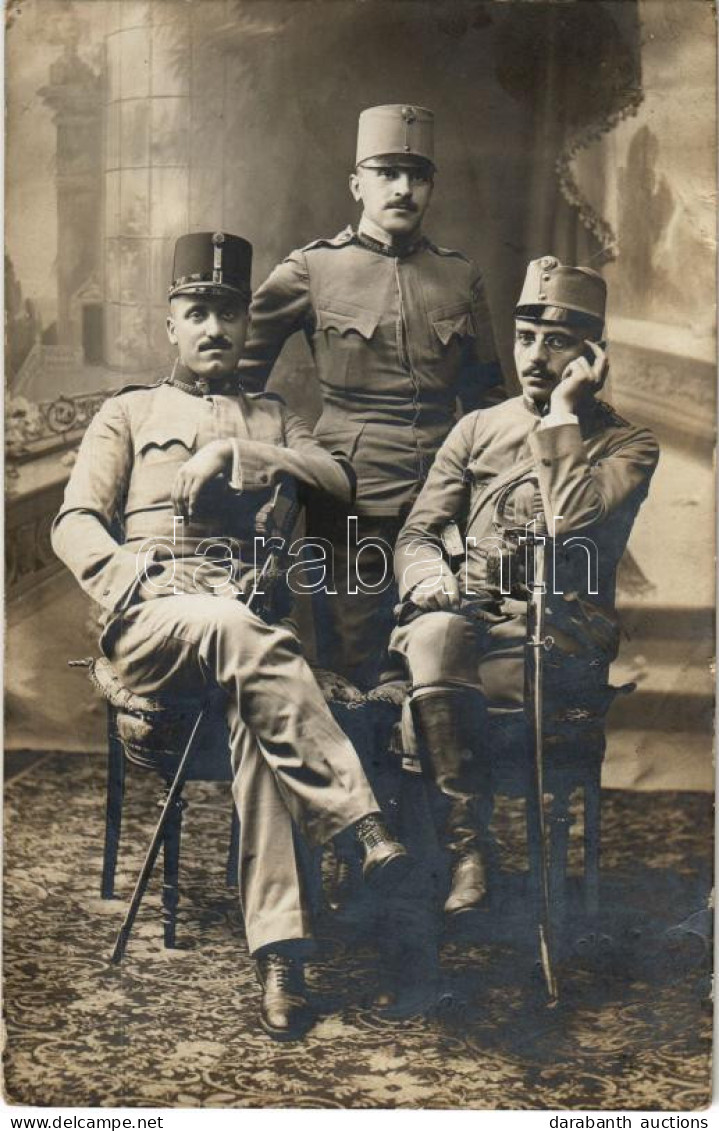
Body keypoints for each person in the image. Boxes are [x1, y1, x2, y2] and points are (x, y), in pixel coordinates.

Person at [51, 231, 411, 1042]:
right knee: (236, 628)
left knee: (257, 707)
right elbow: (72, 522)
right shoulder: (129, 412)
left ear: (248, 326)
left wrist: (238, 450)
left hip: (244, 641)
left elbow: (339, 480)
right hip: (152, 624)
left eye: (228, 312)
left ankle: (281, 957)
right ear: (171, 325)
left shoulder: (273, 417)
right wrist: (140, 577)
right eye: (196, 311)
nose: (213, 327)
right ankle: (360, 821)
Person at [389, 256, 660, 917]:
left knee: (428, 677)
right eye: (524, 337)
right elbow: (417, 534)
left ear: (590, 353)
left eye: (557, 340)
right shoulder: (476, 429)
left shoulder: (627, 445)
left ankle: (462, 855)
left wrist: (562, 413)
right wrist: (428, 578)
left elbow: (569, 521)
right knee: (433, 633)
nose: (534, 357)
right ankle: (467, 849)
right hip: (467, 628)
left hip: (560, 640)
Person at [240, 104, 505, 690]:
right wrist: (277, 454)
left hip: (446, 498)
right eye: (386, 173)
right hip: (350, 501)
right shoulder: (312, 268)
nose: (403, 189)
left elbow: (489, 402)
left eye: (416, 175)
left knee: (441, 667)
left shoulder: (460, 276)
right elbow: (239, 376)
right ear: (357, 184)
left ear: (432, 186)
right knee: (356, 670)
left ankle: (427, 781)